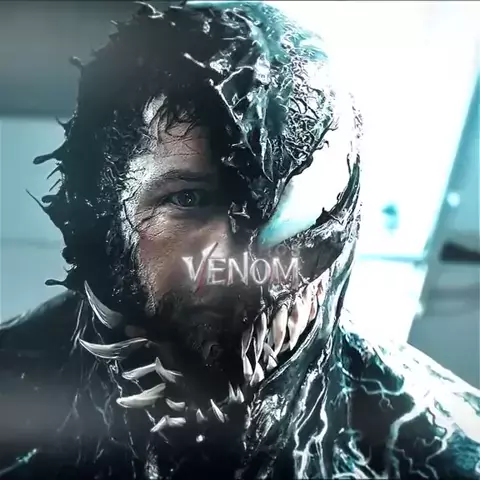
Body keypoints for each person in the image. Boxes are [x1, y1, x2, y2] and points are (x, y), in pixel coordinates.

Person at [1, 2, 479, 479]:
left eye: (285, 217)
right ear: (107, 212)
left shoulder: (442, 453)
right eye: (189, 199)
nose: (235, 261)